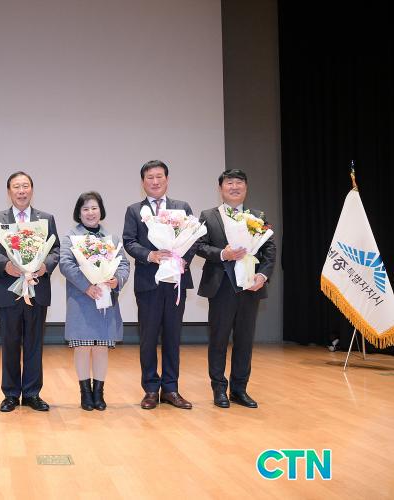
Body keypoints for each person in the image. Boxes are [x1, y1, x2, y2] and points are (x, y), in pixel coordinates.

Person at [195, 169, 276, 408]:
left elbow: (269, 250)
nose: (234, 187)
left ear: (246, 188)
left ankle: (239, 390)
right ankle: (219, 389)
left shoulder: (258, 216)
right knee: (218, 340)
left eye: (239, 182)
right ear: (220, 188)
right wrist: (223, 253)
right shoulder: (208, 216)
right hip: (221, 287)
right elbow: (199, 246)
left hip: (250, 287)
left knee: (245, 340)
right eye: (229, 183)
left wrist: (263, 275)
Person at [0, 171, 60, 412]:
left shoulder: (45, 219)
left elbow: (55, 249)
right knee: (10, 343)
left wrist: (45, 266)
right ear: (9, 191)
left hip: (37, 288)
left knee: (34, 343)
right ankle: (10, 394)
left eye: (25, 186)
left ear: (32, 190)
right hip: (8, 290)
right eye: (16, 186)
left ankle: (32, 393)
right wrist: (5, 265)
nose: (21, 191)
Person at [123, 160, 196, 410]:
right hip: (148, 283)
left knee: (173, 336)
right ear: (143, 182)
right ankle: (151, 390)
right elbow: (129, 241)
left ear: (167, 179)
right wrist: (150, 255)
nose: (155, 181)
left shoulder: (182, 207)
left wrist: (183, 259)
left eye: (159, 177)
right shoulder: (135, 210)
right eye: (150, 177)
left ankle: (171, 389)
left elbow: (194, 239)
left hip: (175, 281)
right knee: (148, 337)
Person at [59, 192, 129, 411]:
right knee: (82, 347)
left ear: (101, 211)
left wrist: (117, 280)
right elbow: (66, 264)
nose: (90, 213)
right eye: (85, 209)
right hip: (81, 299)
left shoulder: (111, 238)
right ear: (79, 213)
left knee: (101, 347)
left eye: (94, 208)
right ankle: (85, 393)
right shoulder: (71, 237)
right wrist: (87, 286)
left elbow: (124, 264)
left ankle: (99, 393)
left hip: (106, 298)